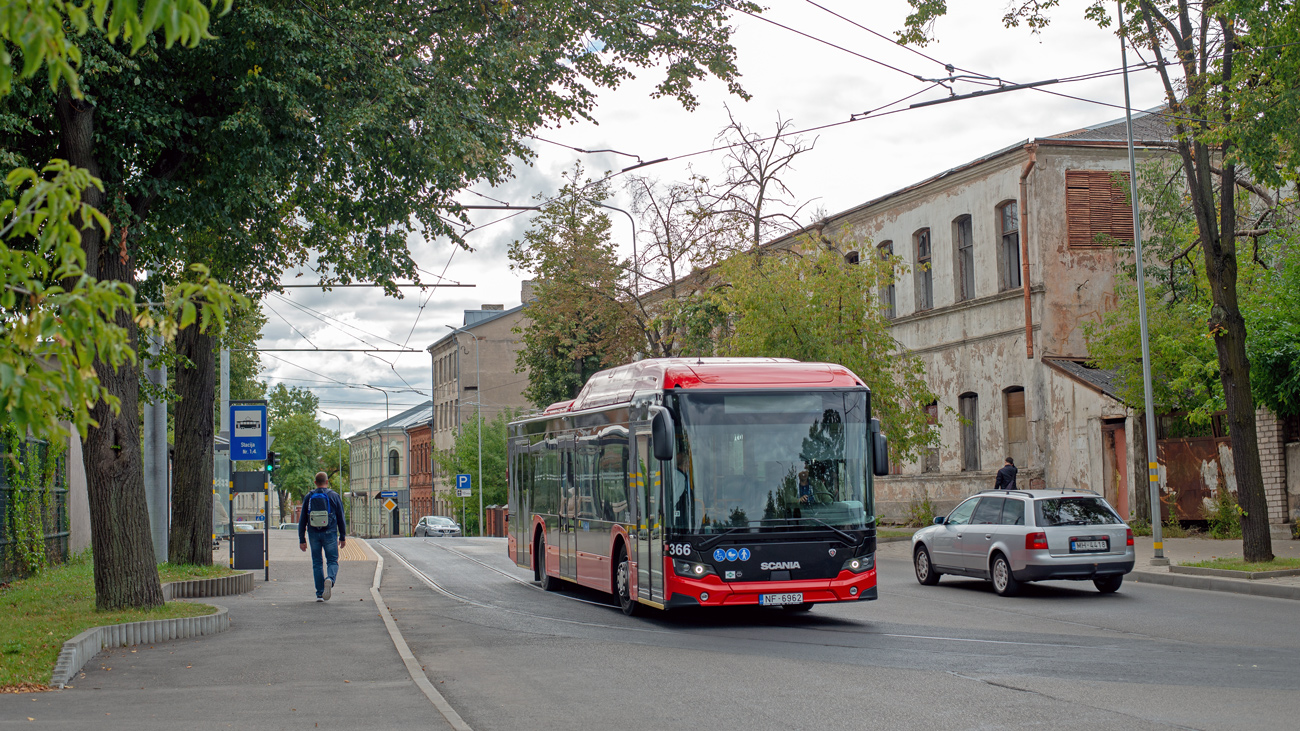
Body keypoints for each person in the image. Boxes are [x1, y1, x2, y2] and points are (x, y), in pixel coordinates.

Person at [299, 472, 347, 602]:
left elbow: (303, 519)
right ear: (327, 482)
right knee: (332, 560)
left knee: (317, 563)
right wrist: (342, 537)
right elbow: (341, 518)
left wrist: (302, 539)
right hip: (330, 533)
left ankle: (320, 593)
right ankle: (330, 579)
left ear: (315, 483)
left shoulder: (309, 496)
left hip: (313, 533)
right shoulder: (334, 496)